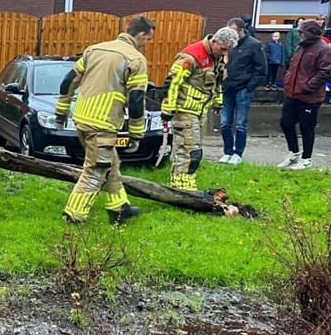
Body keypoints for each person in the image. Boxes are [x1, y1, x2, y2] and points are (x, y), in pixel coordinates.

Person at [55, 15, 155, 225]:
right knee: (96, 170)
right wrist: (136, 133)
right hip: (103, 123)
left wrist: (61, 112)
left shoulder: (94, 50)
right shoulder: (136, 59)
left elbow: (68, 82)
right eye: (148, 39)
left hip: (82, 118)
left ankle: (119, 208)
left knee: (111, 163)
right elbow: (136, 101)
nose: (147, 44)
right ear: (141, 35)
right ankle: (74, 214)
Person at [161, 27, 240, 190]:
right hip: (185, 109)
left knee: (194, 149)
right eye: (223, 49)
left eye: (228, 50)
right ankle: (181, 186)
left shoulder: (218, 56)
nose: (224, 53)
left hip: (201, 111)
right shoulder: (191, 55)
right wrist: (168, 110)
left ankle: (187, 181)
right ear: (214, 41)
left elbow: (217, 81)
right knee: (188, 149)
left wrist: (218, 102)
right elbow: (173, 83)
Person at [278, 20, 331, 170]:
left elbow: (325, 72)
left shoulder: (323, 49)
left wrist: (308, 87)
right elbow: (293, 68)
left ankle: (306, 158)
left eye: (301, 32)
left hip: (310, 96)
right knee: (285, 123)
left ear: (309, 33)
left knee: (306, 127)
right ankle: (294, 153)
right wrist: (288, 82)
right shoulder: (300, 47)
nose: (299, 34)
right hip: (293, 93)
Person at [218, 18, 266, 165]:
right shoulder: (228, 45)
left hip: (243, 89)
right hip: (227, 88)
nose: (230, 36)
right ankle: (227, 152)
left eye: (233, 32)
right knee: (225, 122)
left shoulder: (254, 45)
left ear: (241, 30)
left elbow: (261, 69)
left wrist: (249, 87)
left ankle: (238, 153)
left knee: (240, 123)